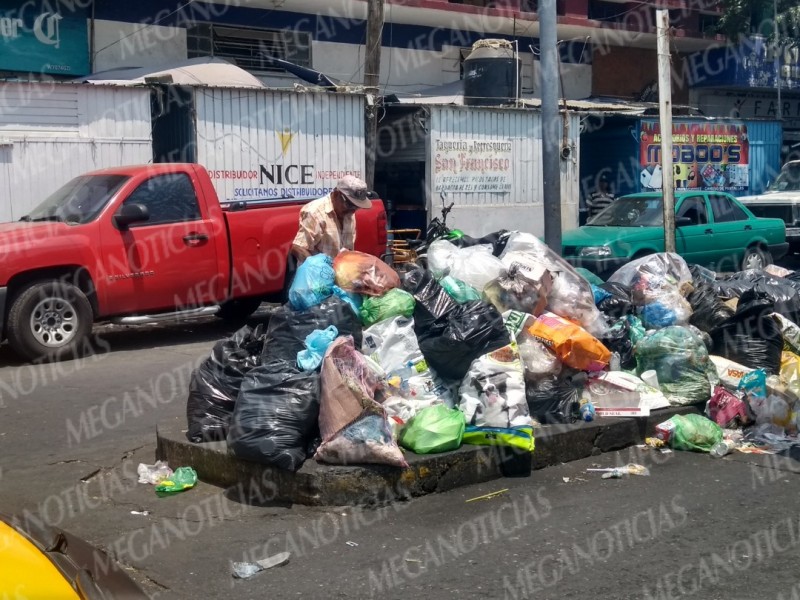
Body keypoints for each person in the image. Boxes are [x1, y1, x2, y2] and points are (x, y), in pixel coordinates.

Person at [291, 175, 372, 264]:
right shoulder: (314, 212)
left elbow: (347, 249)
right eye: (349, 205)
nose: (352, 210)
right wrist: (317, 267)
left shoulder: (349, 213)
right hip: (317, 275)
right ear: (337, 194)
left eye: (356, 207)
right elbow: (298, 247)